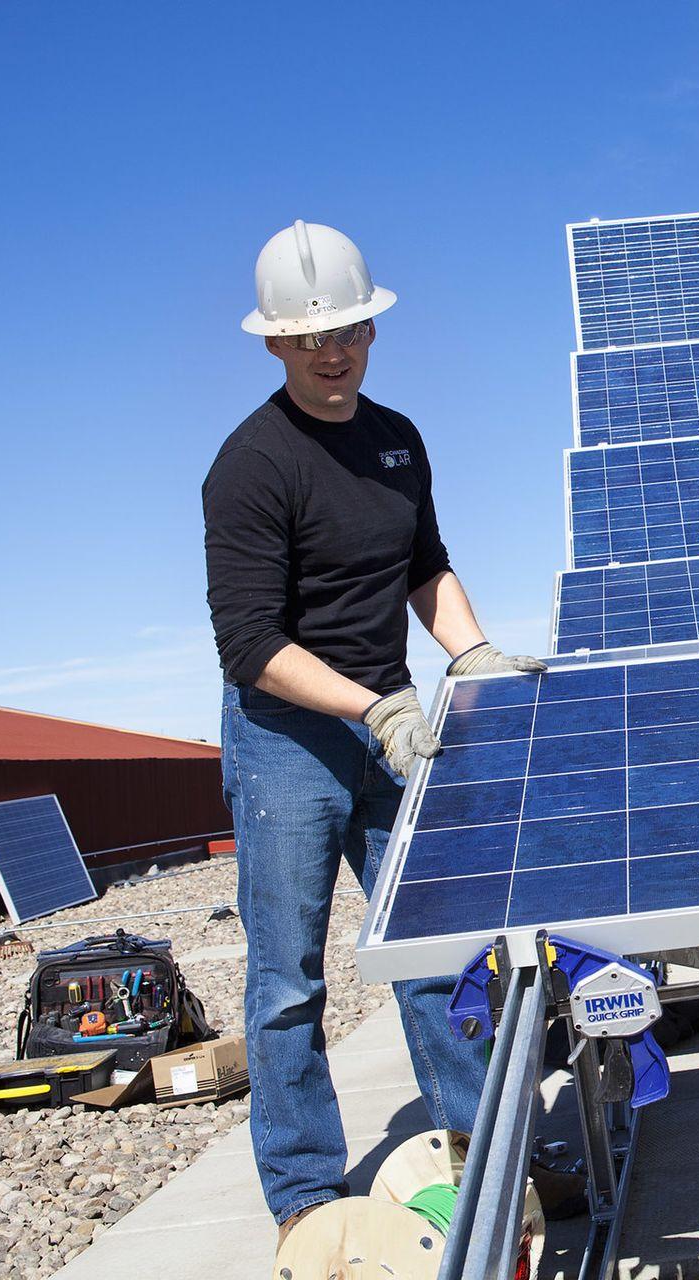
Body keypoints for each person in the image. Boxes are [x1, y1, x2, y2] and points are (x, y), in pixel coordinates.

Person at [203, 220, 554, 1239]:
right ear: (274, 342)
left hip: (390, 722)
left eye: (350, 326)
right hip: (286, 740)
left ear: (370, 325)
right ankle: (307, 1196)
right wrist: (372, 705)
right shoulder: (251, 464)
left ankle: (488, 1155)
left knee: (437, 951)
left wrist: (472, 653)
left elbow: (424, 567)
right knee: (284, 980)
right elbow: (250, 643)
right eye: (310, 335)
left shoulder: (396, 439)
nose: (333, 347)